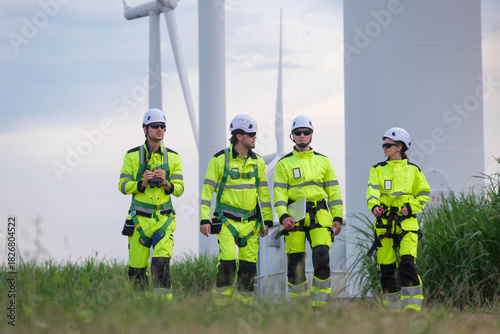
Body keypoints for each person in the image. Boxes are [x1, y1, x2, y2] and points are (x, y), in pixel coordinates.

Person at [200, 114, 273, 305]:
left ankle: (243, 310)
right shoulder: (219, 160)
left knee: (249, 269)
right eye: (251, 134)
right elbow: (207, 192)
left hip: (251, 225)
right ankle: (220, 308)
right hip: (226, 222)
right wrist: (204, 219)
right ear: (239, 136)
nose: (255, 137)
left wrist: (268, 221)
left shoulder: (259, 163)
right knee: (228, 263)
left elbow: (264, 195)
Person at [273, 115, 343, 307]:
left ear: (311, 136)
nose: (302, 136)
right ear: (292, 136)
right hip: (294, 217)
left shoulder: (324, 161)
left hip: (320, 215)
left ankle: (319, 306)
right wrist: (283, 215)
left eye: (306, 132)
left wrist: (337, 216)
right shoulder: (283, 164)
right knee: (295, 264)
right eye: (298, 132)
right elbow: (278, 194)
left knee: (322, 258)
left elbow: (334, 192)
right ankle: (300, 307)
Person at [118, 108, 184, 300]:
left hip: (163, 220)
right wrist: (142, 183)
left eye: (162, 126)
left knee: (161, 267)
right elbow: (122, 186)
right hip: (139, 222)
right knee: (137, 272)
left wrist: (166, 183)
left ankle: (164, 313)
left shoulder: (174, 157)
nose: (159, 130)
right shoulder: (131, 156)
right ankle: (140, 315)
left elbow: (180, 189)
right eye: (155, 126)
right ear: (144, 129)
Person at [366, 127, 430, 312]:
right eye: (383, 144)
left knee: (407, 264)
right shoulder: (377, 169)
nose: (384, 147)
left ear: (400, 147)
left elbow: (424, 194)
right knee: (386, 269)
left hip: (407, 224)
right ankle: (392, 311)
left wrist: (411, 207)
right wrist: (374, 207)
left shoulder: (414, 170)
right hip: (384, 224)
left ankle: (412, 310)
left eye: (388, 145)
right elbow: (372, 192)